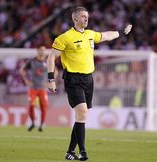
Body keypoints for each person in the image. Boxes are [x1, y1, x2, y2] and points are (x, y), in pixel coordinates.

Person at [47, 7, 132, 161]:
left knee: (81, 116)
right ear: (75, 19)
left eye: (87, 16)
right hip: (73, 79)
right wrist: (51, 79)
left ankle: (70, 152)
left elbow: (106, 35)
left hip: (88, 79)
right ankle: (83, 152)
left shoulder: (90, 34)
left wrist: (121, 31)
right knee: (82, 112)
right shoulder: (65, 37)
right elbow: (51, 57)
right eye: (83, 16)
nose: (86, 19)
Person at [20, 46, 49, 132]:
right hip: (32, 88)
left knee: (43, 107)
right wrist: (26, 80)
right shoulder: (32, 61)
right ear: (37, 51)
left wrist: (49, 82)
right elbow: (22, 70)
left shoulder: (47, 62)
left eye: (44, 50)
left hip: (42, 89)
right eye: (40, 50)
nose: (42, 52)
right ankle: (33, 122)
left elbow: (55, 71)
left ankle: (41, 125)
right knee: (31, 105)